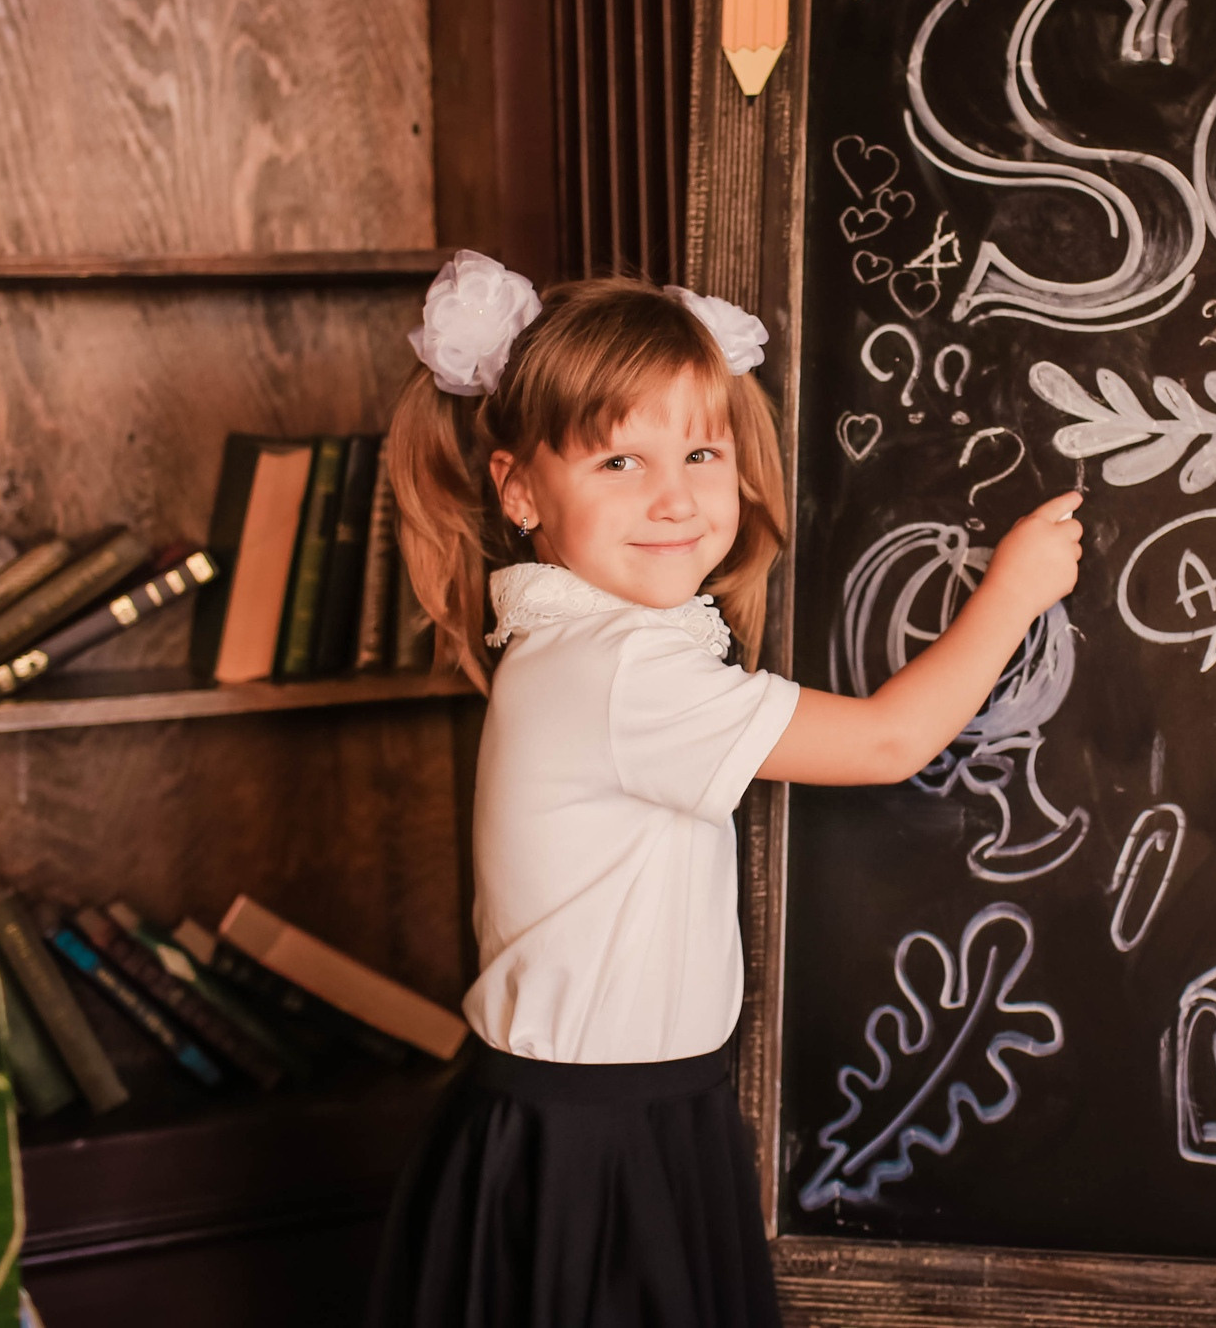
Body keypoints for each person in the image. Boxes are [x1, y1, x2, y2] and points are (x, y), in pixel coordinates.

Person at [366, 254, 1084, 1328]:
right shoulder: (618, 667)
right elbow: (889, 740)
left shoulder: (593, 645)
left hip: (623, 1113)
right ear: (518, 489)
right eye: (619, 460)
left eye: (701, 452)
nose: (674, 498)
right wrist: (1013, 592)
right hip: (598, 1141)